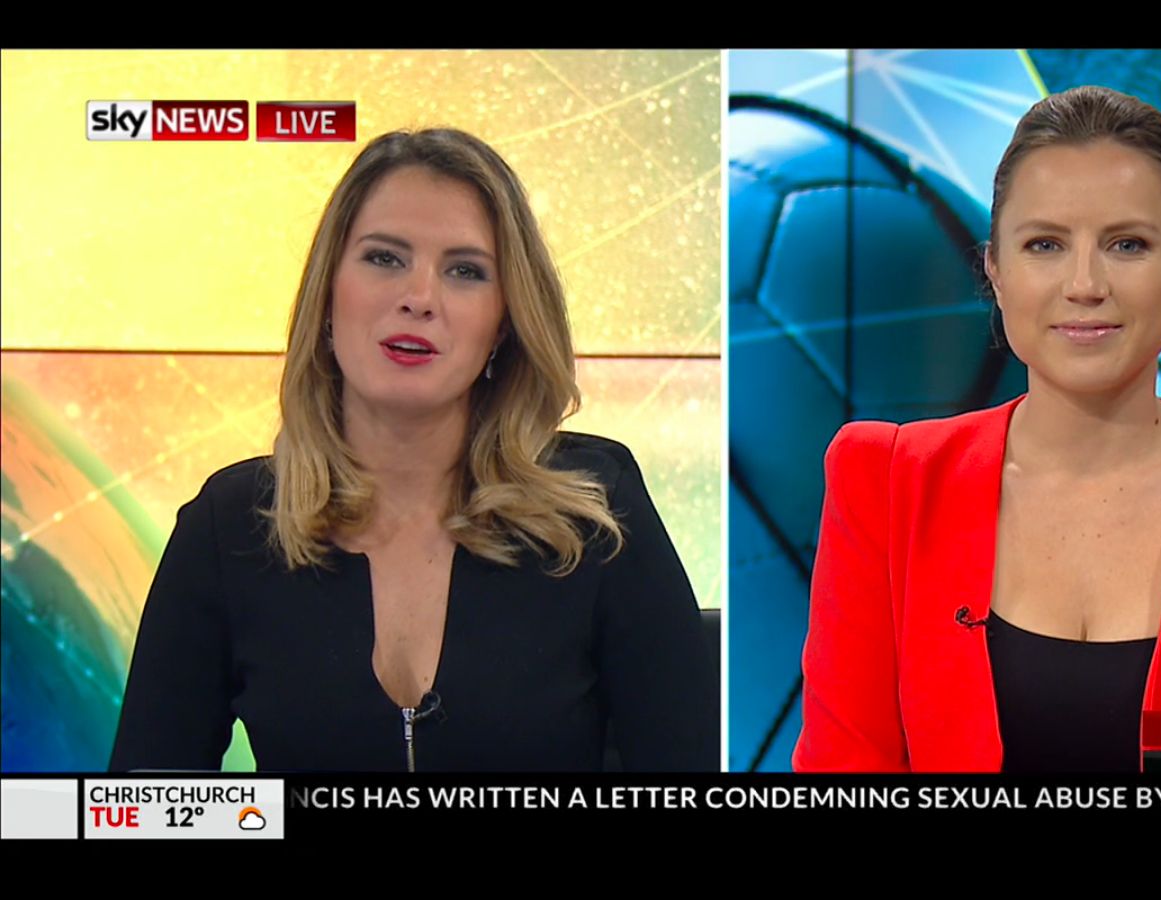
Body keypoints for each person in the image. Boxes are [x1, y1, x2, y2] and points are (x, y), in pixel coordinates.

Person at [793, 86, 1161, 773]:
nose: (1085, 284)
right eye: (1045, 244)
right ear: (996, 270)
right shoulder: (886, 481)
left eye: (1127, 245)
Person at [110, 128, 719, 772]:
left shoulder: (596, 509)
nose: (419, 298)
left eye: (465, 271)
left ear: (503, 324)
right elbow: (139, 804)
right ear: (328, 293)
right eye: (384, 258)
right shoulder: (230, 526)